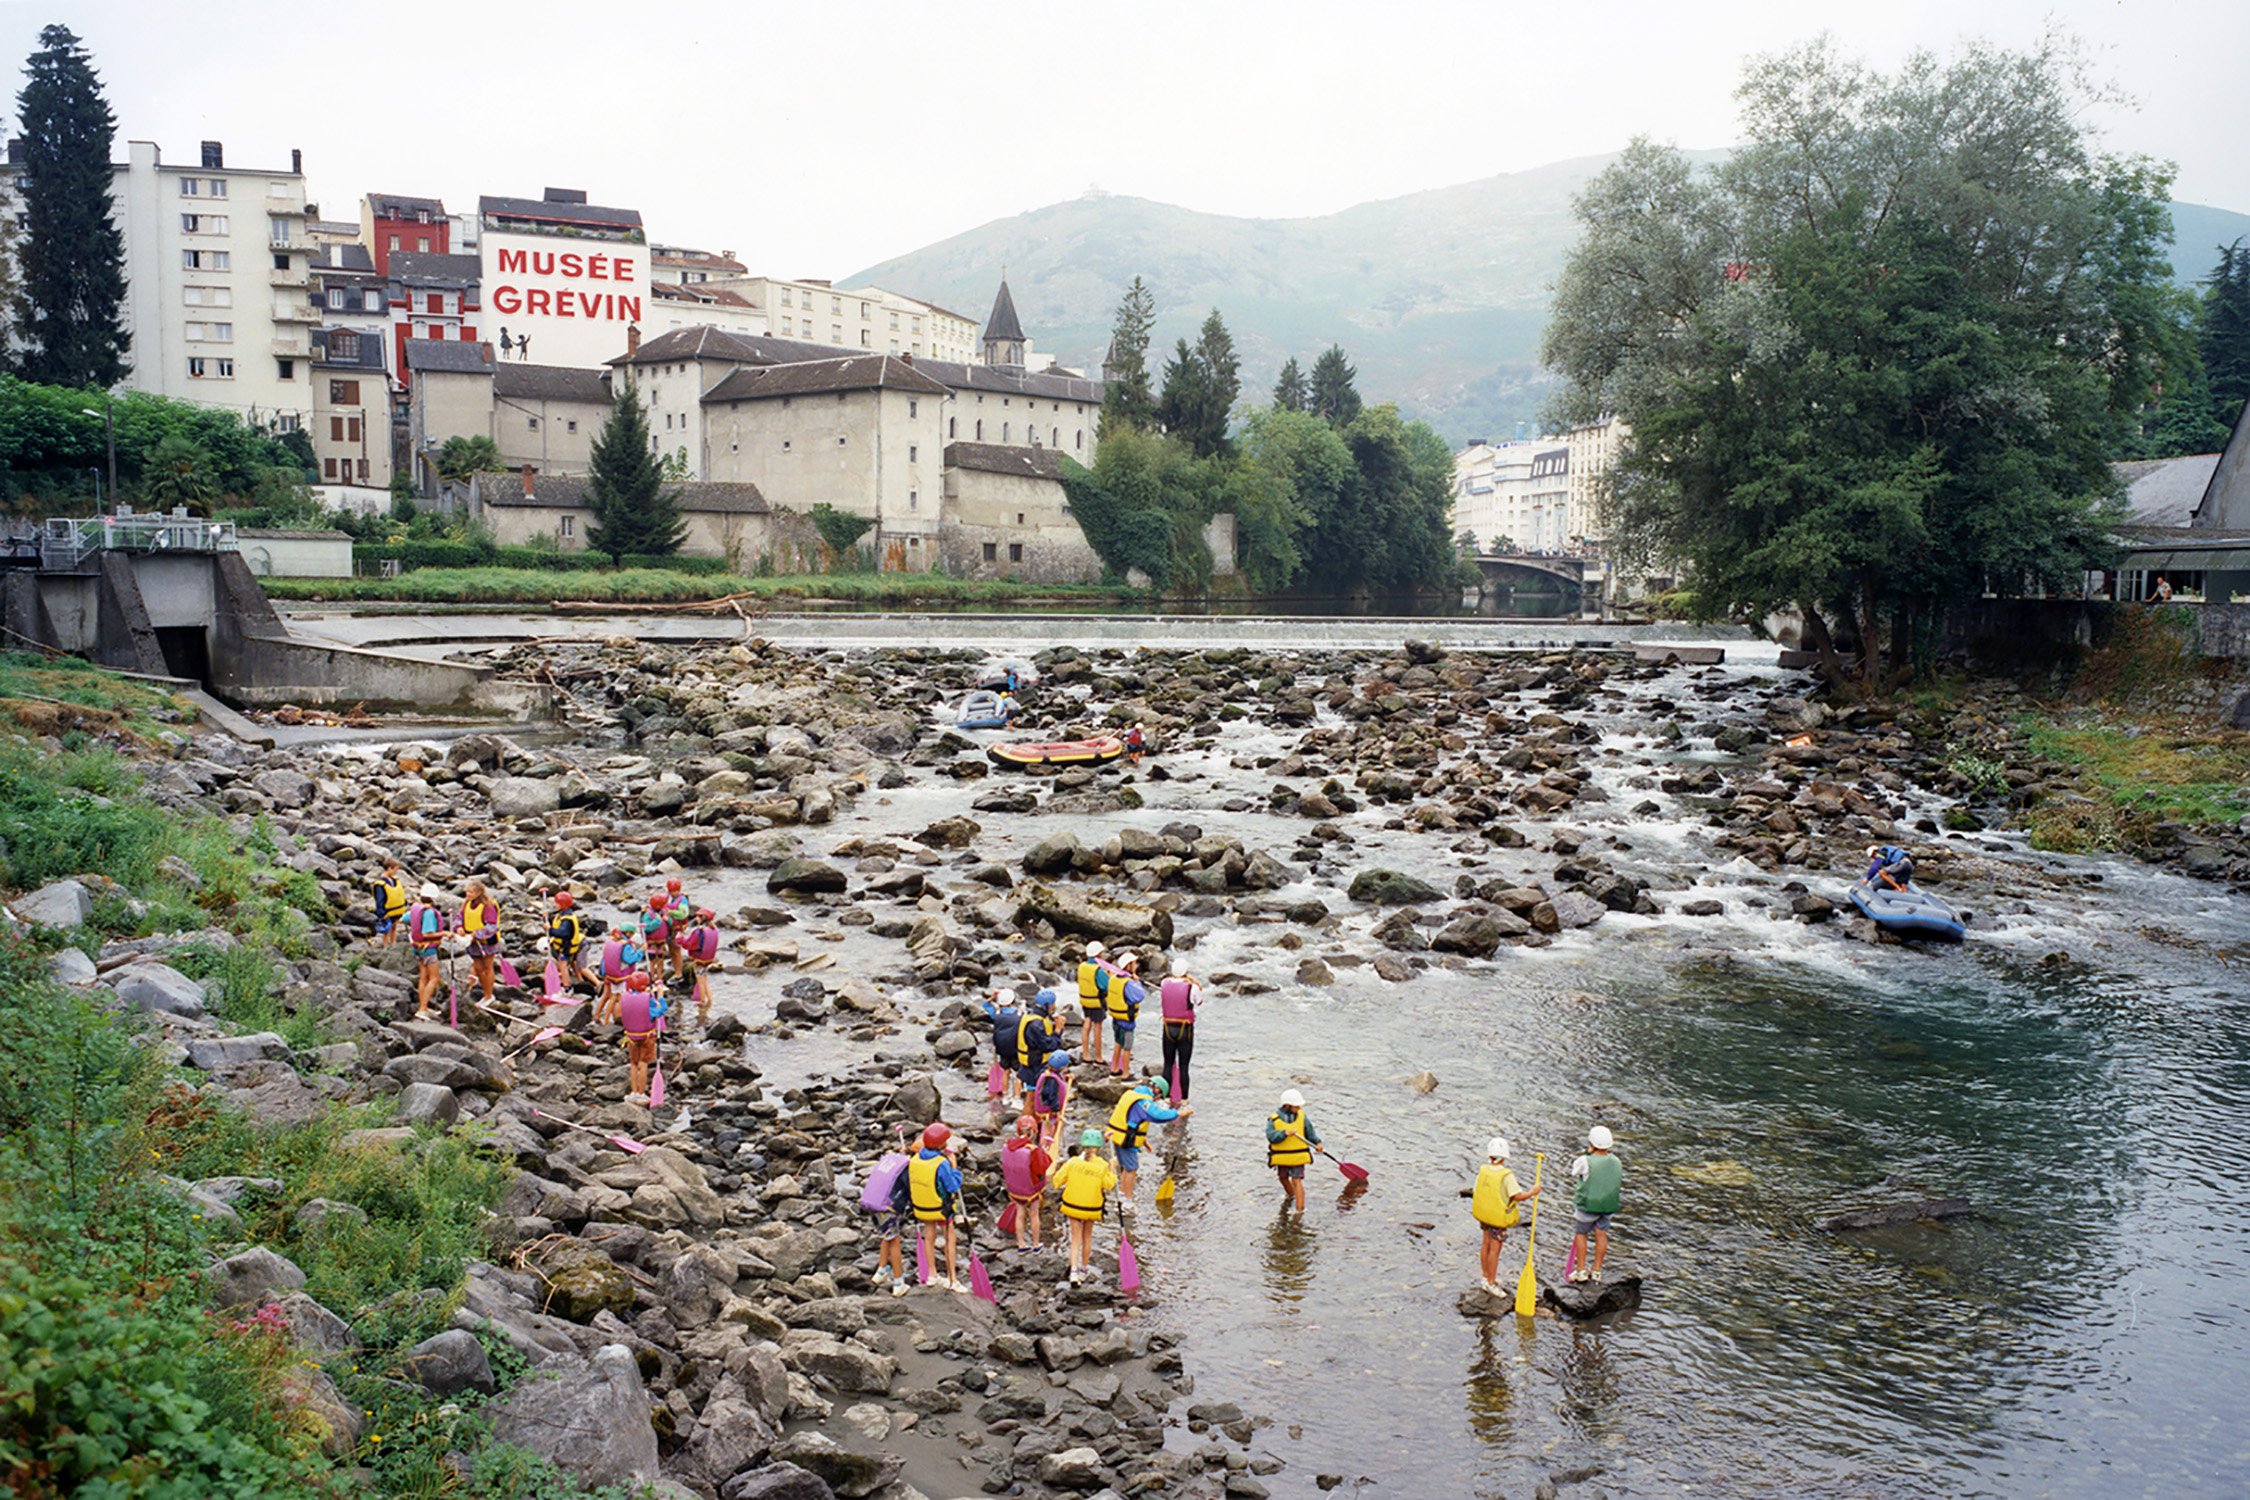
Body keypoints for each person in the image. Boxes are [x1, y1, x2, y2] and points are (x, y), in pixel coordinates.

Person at [1105, 1074, 1189, 1212]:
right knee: (1131, 1168)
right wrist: (1178, 1113)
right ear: (1157, 1090)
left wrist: (1144, 1141)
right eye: (1159, 1095)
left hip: (1118, 1136)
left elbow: (1133, 1119)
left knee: (1126, 1167)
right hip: (1127, 1140)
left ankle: (1122, 1194)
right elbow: (1158, 1115)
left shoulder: (1133, 1094)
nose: (1157, 1099)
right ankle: (1127, 1202)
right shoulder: (1143, 1101)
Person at [1050, 1128, 1119, 1284]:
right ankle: (1084, 1269)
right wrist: (1112, 1169)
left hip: (1073, 1206)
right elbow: (1108, 1185)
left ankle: (1073, 1271)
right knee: (1087, 1237)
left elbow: (1056, 1182)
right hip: (1091, 1208)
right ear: (1098, 1147)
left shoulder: (1072, 1162)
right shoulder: (1102, 1165)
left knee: (1075, 1240)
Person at [907, 1123, 966, 1292]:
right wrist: (954, 1166)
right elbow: (953, 1186)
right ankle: (952, 1278)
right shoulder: (942, 1163)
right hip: (941, 1208)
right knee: (950, 1238)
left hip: (923, 1208)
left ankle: (932, 1274)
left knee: (929, 1235)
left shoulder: (915, 1158)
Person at [1471, 1137, 1535, 1294]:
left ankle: (1485, 1277)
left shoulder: (1483, 1170)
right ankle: (1491, 1283)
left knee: (1485, 1244)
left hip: (1484, 1216)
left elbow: (1475, 1190)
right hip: (1497, 1219)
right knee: (1495, 1249)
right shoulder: (1506, 1175)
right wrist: (1533, 1192)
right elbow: (1517, 1196)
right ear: (1505, 1156)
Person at [1569, 1125, 1623, 1283]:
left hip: (1588, 1206)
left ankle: (1581, 1270)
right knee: (1601, 1234)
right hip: (1607, 1207)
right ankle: (1597, 1269)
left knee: (1581, 1234)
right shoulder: (1616, 1161)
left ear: (1591, 1143)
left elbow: (1574, 1172)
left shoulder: (1585, 1160)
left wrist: (1587, 1153)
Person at [1000, 1113, 1053, 1250]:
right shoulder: (1033, 1150)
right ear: (1034, 1132)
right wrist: (1045, 1151)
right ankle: (1036, 1244)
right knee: (1034, 1214)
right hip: (1031, 1190)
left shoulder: (1007, 1145)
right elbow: (1041, 1167)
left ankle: (1021, 1243)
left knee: (1020, 1214)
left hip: (1015, 1189)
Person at [1266, 1089, 1321, 1213]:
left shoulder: (1302, 1116)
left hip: (1298, 1156)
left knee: (1297, 1180)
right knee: (1283, 1178)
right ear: (1287, 1105)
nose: (1299, 1108)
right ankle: (1291, 1195)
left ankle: (1300, 1209)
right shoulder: (1273, 1119)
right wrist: (1284, 1133)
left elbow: (1309, 1132)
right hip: (1282, 1156)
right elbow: (1271, 1136)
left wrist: (1317, 1142)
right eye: (1297, 1106)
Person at [619, 970, 668, 1104]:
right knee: (643, 1063)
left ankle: (633, 1092)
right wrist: (661, 995)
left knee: (634, 1063)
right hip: (646, 1037)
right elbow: (661, 1010)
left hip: (631, 1037)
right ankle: (641, 1093)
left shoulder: (626, 997)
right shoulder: (648, 1000)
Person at [1157, 965, 1201, 1101]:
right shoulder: (1191, 987)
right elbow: (1198, 1001)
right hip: (1184, 1029)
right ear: (1186, 972)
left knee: (1168, 1064)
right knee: (1184, 1066)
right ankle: (1184, 1100)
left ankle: (1166, 1098)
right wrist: (1195, 982)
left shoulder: (1164, 983)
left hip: (1168, 1028)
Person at [406, 883, 450, 1019]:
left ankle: (423, 1007)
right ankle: (422, 1009)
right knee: (435, 978)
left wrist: (415, 927)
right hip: (428, 949)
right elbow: (427, 934)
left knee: (423, 977)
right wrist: (444, 934)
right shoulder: (429, 913)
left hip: (418, 948)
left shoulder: (416, 909)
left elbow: (404, 919)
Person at [982, 987, 1028, 1105]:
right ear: (1012, 1000)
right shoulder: (1020, 1014)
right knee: (1019, 1073)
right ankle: (1017, 1098)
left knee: (1005, 1071)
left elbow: (985, 1004)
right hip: (1016, 1048)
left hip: (1002, 1049)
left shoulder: (996, 1014)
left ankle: (1005, 1096)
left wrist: (992, 997)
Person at [459, 881, 502, 1007]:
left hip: (487, 941)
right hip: (472, 941)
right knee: (478, 968)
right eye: (467, 891)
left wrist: (476, 934)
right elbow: (459, 917)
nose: (468, 894)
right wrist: (458, 927)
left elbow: (492, 926)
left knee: (487, 968)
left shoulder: (488, 906)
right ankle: (484, 992)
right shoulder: (467, 903)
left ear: (478, 893)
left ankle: (489, 995)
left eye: (471, 892)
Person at [547, 891, 597, 991]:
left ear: (563, 905)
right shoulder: (564, 914)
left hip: (567, 946)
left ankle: (567, 986)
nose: (555, 905)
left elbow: (562, 933)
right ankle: (580, 980)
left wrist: (550, 929)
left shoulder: (567, 920)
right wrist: (546, 916)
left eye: (557, 903)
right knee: (571, 963)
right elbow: (555, 919)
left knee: (563, 964)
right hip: (567, 945)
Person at [1106, 954, 1146, 1077]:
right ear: (1128, 966)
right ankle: (1125, 1074)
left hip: (1116, 1019)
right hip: (1127, 1022)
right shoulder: (1128, 983)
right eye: (1134, 963)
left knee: (1118, 1042)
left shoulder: (1113, 978)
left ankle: (1114, 1068)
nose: (1136, 965)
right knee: (1127, 1047)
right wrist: (1137, 982)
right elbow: (1140, 996)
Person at [679, 907, 721, 1024]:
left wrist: (680, 939)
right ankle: (710, 1000)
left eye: (698, 917)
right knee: (705, 978)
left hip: (699, 959)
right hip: (708, 959)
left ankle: (703, 1003)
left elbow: (688, 944)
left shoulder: (699, 931)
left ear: (702, 918)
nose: (696, 918)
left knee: (700, 979)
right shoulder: (713, 929)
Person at [595, 928, 645, 1025]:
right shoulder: (625, 946)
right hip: (619, 976)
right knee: (617, 997)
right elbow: (630, 959)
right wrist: (641, 951)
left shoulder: (610, 942)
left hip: (608, 973)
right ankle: (613, 1018)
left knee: (607, 995)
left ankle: (598, 1015)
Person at [1030, 1049, 1072, 1153]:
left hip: (1048, 1112)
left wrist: (1065, 1078)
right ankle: (1045, 1152)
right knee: (1048, 1133)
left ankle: (1047, 1149)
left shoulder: (1048, 1073)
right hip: (1049, 1113)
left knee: (1049, 1130)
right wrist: (1057, 1111)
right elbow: (1051, 1096)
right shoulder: (1051, 1080)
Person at [1076, 942, 1111, 1066]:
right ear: (1099, 954)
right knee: (1097, 1028)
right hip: (1097, 1001)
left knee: (1087, 1024)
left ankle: (1086, 1054)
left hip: (1085, 1000)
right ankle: (1098, 1057)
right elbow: (1107, 986)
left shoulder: (1082, 966)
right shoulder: (1099, 970)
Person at [640, 893, 676, 985]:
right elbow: (646, 928)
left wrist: (668, 920)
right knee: (652, 961)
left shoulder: (664, 912)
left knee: (660, 960)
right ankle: (651, 978)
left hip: (662, 941)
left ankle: (660, 977)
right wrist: (657, 921)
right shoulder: (648, 915)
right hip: (652, 942)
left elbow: (671, 923)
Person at [371, 859, 408, 948]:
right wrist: (381, 913)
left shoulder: (394, 880)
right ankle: (385, 946)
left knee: (394, 927)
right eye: (395, 869)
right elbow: (380, 899)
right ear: (389, 868)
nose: (396, 872)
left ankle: (393, 944)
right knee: (386, 930)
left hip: (396, 909)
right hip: (387, 911)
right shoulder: (380, 884)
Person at [662, 878, 694, 984]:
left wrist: (670, 912)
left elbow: (683, 914)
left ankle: (679, 974)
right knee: (671, 950)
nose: (672, 893)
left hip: (678, 928)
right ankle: (676, 971)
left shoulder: (682, 900)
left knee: (676, 950)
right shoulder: (671, 899)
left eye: (674, 891)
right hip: (671, 928)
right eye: (670, 891)